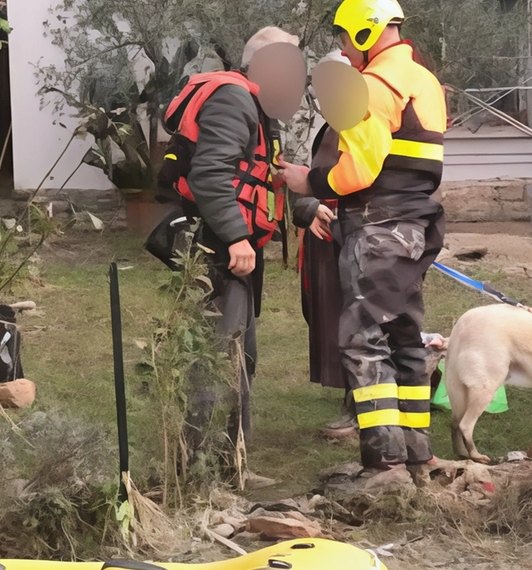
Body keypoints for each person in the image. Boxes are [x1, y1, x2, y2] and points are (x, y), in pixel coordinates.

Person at [278, 0, 448, 475]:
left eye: (345, 39)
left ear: (365, 34)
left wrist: (307, 182)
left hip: (378, 225)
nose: (344, 50)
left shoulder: (372, 88)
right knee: (405, 336)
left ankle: (384, 462)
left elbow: (360, 170)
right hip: (415, 223)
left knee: (363, 340)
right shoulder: (423, 80)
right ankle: (418, 453)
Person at [159, 26, 302, 463]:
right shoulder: (234, 100)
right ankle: (197, 463)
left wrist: (310, 210)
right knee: (217, 354)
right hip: (218, 246)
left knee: (243, 354)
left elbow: (265, 174)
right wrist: (238, 236)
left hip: (235, 247)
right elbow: (209, 175)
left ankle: (229, 458)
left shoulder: (259, 108)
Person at [293, 53, 355, 440]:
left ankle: (361, 407)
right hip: (324, 238)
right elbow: (316, 178)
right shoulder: (331, 124)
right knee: (331, 317)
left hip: (350, 235)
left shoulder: (363, 122)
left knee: (356, 318)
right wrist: (307, 205)